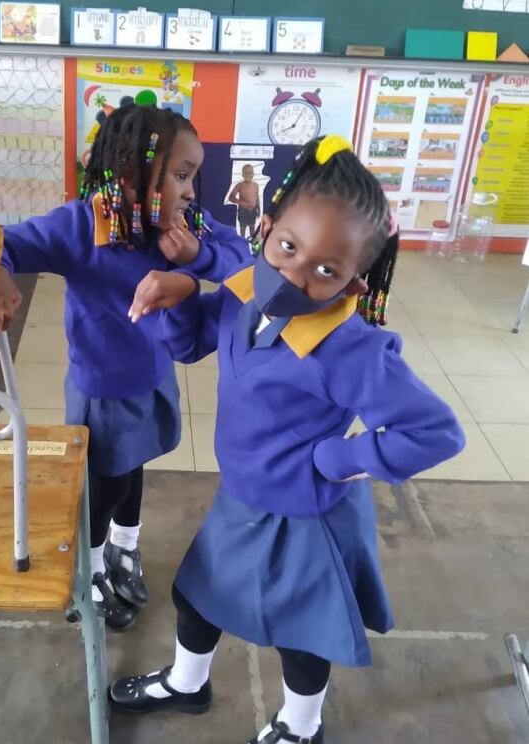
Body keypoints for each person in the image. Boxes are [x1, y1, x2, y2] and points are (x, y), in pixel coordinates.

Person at [111, 135, 466, 742]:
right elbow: (201, 340)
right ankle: (189, 683)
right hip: (244, 494)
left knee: (302, 634)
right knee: (198, 596)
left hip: (304, 513)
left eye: (326, 271)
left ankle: (301, 727)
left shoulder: (350, 349)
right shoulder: (250, 289)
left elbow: (436, 431)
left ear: (355, 283)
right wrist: (182, 298)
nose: (294, 277)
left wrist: (345, 458)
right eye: (288, 248)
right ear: (267, 227)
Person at [0, 104, 249, 631]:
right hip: (100, 391)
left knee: (133, 467)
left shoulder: (185, 225)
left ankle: (126, 548)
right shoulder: (82, 225)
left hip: (151, 376)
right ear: (128, 175)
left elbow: (250, 265)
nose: (192, 191)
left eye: (194, 177)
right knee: (104, 486)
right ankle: (91, 569)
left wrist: (197, 260)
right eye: (182, 176)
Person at [228, 163, 260, 239]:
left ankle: (252, 244)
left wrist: (258, 209)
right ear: (242, 174)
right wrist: (242, 203)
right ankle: (242, 243)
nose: (248, 174)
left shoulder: (255, 185)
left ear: (253, 174)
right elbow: (231, 197)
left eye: (250, 172)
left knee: (252, 228)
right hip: (243, 211)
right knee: (243, 229)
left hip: (253, 211)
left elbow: (257, 197)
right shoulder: (240, 185)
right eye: (246, 173)